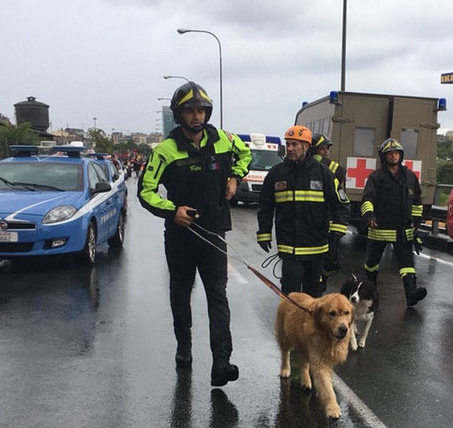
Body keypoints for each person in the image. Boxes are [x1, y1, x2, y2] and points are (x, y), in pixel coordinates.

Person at [138, 82, 251, 386]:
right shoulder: (164, 151)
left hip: (214, 234)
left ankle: (222, 362)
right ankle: (184, 348)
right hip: (180, 238)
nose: (197, 116)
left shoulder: (225, 141)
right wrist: (172, 210)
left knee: (218, 296)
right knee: (180, 296)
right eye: (190, 111)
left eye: (201, 110)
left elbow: (246, 157)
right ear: (179, 114)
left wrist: (233, 177)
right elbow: (145, 192)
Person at [257, 126, 349, 297]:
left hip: (317, 249)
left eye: (294, 144)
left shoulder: (323, 173)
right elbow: (265, 205)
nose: (290, 148)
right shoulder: (277, 173)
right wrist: (264, 232)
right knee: (290, 300)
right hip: (289, 249)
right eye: (288, 144)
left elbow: (341, 203)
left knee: (313, 302)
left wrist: (336, 233)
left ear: (306, 147)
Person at [360, 137, 427, 306]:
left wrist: (417, 224)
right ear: (384, 156)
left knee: (407, 264)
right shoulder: (376, 177)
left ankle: (411, 294)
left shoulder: (410, 176)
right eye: (389, 153)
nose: (393, 156)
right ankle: (370, 294)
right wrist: (369, 216)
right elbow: (367, 199)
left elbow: (417, 201)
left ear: (401, 155)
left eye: (396, 153)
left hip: (403, 230)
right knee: (372, 264)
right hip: (380, 229)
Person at [310, 133, 347, 292]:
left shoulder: (333, 170)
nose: (326, 151)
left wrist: (338, 228)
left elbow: (341, 201)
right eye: (322, 148)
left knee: (331, 261)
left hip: (328, 222)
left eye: (326, 148)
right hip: (307, 225)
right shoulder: (295, 167)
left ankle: (322, 278)